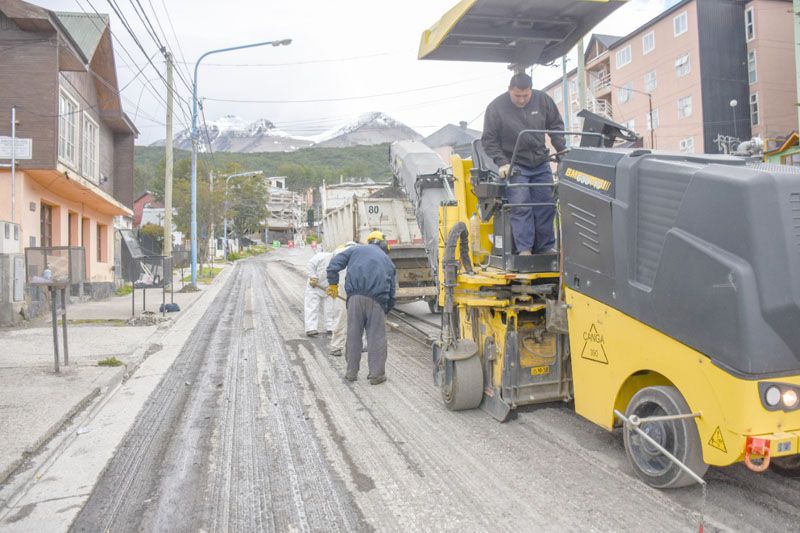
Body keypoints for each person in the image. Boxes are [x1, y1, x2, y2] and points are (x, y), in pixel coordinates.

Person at [482, 72, 567, 255]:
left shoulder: (543, 100)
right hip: (514, 165)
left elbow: (556, 126)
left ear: (531, 90)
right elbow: (489, 140)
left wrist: (561, 150)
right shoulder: (496, 107)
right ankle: (525, 250)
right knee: (521, 206)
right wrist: (502, 162)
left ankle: (545, 248)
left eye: (526, 95)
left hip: (540, 162)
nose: (521, 100)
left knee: (546, 204)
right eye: (517, 96)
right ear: (509, 90)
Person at [326, 231, 396, 385]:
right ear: (383, 244)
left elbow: (333, 266)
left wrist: (333, 284)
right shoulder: (387, 260)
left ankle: (351, 373)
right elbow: (392, 291)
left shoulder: (355, 250)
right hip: (377, 301)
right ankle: (376, 375)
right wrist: (387, 308)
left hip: (354, 299)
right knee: (376, 338)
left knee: (353, 335)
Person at [328, 241, 358, 357]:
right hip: (357, 287)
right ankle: (360, 345)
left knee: (340, 316)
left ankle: (336, 347)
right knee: (360, 317)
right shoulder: (361, 251)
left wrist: (332, 285)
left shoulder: (338, 252)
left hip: (341, 287)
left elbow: (330, 269)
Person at [304, 248, 334, 337]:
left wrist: (334, 286)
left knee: (331, 307)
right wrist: (312, 276)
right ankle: (311, 328)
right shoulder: (321, 256)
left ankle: (330, 327)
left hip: (329, 286)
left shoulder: (342, 261)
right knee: (312, 307)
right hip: (315, 286)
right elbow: (310, 265)